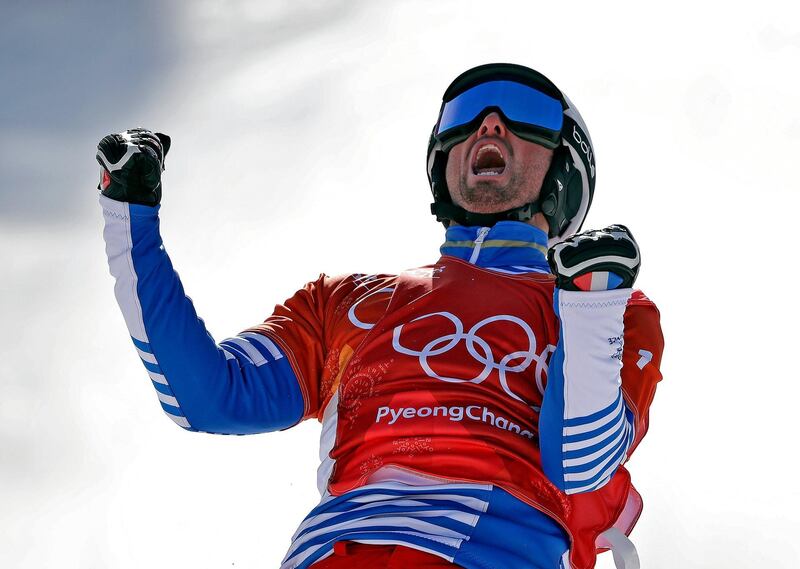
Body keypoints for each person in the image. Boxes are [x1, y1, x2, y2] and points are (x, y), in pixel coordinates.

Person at [96, 63, 664, 569]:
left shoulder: (608, 306)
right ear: (441, 159)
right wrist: (131, 213)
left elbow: (580, 462)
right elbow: (209, 397)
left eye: (527, 114)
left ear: (566, 170)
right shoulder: (344, 302)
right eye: (464, 116)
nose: (489, 124)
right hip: (330, 552)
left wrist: (591, 305)